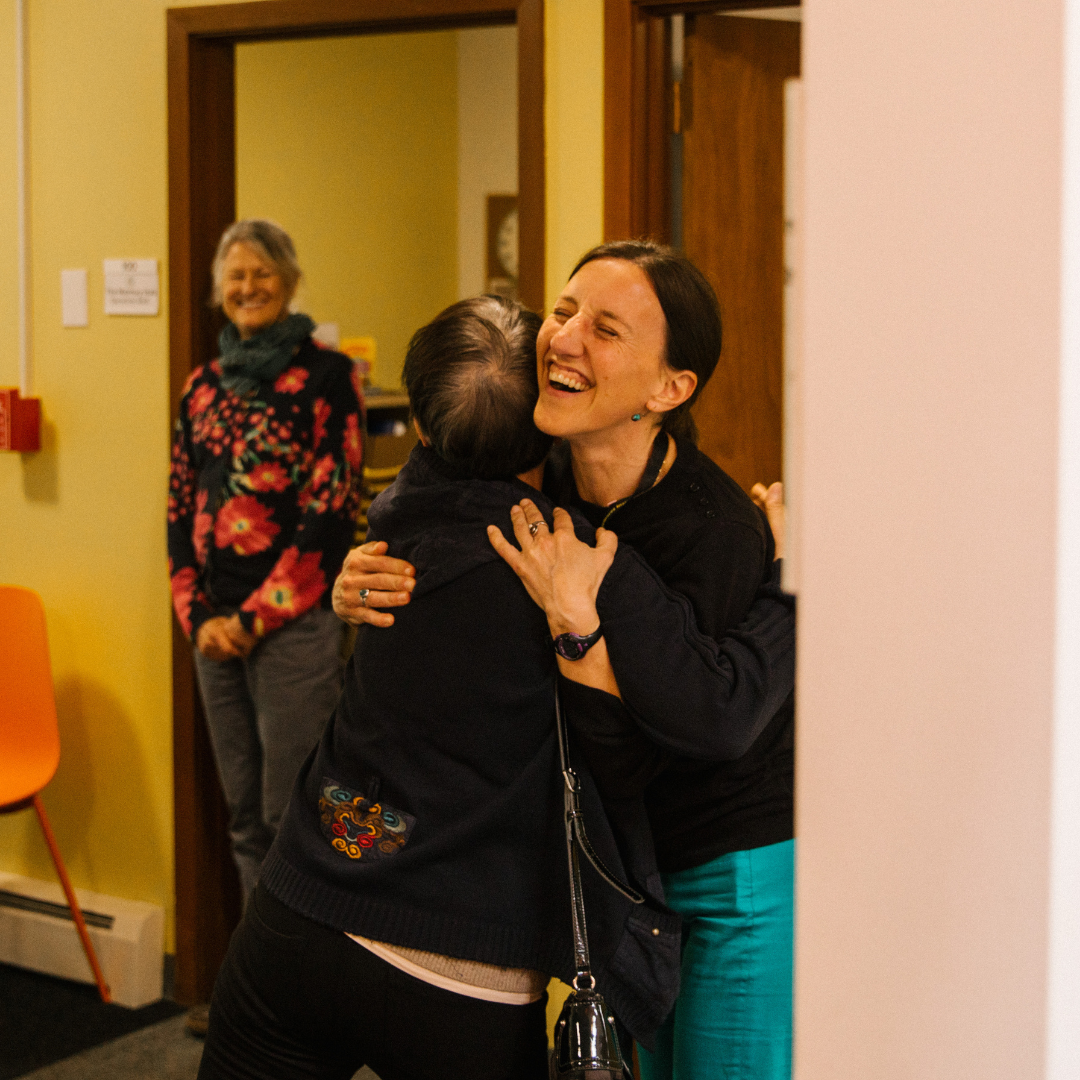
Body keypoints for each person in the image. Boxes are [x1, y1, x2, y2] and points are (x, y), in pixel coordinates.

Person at [198, 295, 793, 1080]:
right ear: (546, 413)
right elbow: (687, 723)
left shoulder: (393, 518)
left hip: (301, 910)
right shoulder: (570, 554)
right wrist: (786, 578)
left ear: (419, 422)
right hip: (460, 964)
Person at [168, 218, 364, 908]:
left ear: (289, 280)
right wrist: (198, 618)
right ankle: (257, 987)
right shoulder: (202, 387)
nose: (248, 287)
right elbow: (178, 508)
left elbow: (329, 519)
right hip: (212, 635)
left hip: (292, 631)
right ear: (220, 291)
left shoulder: (329, 378)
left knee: (296, 817)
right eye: (236, 276)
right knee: (245, 820)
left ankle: (301, 989)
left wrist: (253, 620)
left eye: (262, 273)